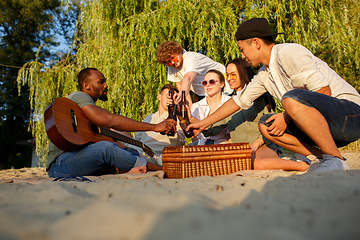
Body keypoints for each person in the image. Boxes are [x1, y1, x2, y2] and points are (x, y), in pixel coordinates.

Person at [187, 18, 360, 172]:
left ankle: (334, 158)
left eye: (242, 49)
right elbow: (237, 102)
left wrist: (285, 117)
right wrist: (202, 124)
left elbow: (323, 91)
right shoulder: (264, 74)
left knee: (290, 100)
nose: (242, 56)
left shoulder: (288, 52)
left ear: (256, 43)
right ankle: (328, 158)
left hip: (350, 116)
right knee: (266, 125)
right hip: (326, 126)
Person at [46, 68, 176, 178]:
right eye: (101, 82)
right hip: (60, 164)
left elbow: (111, 143)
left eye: (105, 82)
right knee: (106, 148)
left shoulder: (88, 117)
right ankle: (157, 168)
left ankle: (130, 168)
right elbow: (111, 120)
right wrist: (154, 127)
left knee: (130, 151)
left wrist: (129, 151)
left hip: (81, 160)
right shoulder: (78, 97)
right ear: (86, 86)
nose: (106, 85)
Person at [202, 58, 309, 171]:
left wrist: (258, 142)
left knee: (254, 163)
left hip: (265, 145)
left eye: (233, 75)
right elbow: (211, 129)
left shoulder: (260, 97)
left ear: (243, 74)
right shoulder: (227, 106)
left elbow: (271, 123)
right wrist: (195, 123)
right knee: (244, 163)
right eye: (226, 75)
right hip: (244, 152)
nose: (229, 79)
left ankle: (302, 166)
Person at [156, 41, 232, 106]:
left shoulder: (191, 58)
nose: (172, 62)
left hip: (222, 87)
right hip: (203, 93)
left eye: (173, 58)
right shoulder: (171, 66)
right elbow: (180, 85)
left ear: (179, 51)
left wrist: (181, 95)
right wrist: (189, 106)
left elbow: (188, 78)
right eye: (168, 62)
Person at [133, 84, 185, 166]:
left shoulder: (178, 119)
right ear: (159, 97)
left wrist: (174, 113)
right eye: (168, 95)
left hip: (152, 156)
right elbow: (137, 138)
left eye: (174, 96)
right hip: (137, 150)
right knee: (115, 130)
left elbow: (179, 144)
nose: (170, 98)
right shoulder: (149, 117)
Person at [189, 69, 231, 145]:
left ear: (222, 84)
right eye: (205, 83)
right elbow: (194, 135)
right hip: (202, 146)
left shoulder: (230, 102)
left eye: (212, 82)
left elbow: (231, 134)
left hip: (223, 146)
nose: (208, 85)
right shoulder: (197, 106)